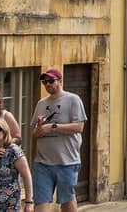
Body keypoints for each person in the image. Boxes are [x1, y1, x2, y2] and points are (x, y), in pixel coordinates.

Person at [31, 68, 87, 212]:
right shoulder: (41, 104)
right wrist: (39, 129)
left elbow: (79, 127)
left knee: (67, 203)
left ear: (60, 81)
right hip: (42, 163)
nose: (47, 84)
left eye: (51, 81)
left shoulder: (73, 99)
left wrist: (53, 127)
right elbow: (35, 133)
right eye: (44, 82)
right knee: (40, 203)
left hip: (67, 162)